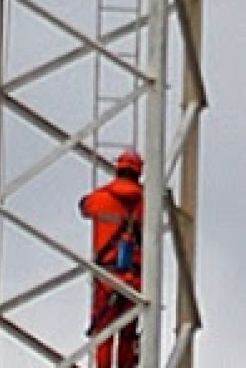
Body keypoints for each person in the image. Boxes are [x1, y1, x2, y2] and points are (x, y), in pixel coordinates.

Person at [79, 149, 144, 368]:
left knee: (104, 332)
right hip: (134, 278)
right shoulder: (146, 202)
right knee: (127, 334)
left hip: (108, 276)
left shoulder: (101, 198)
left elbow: (84, 207)